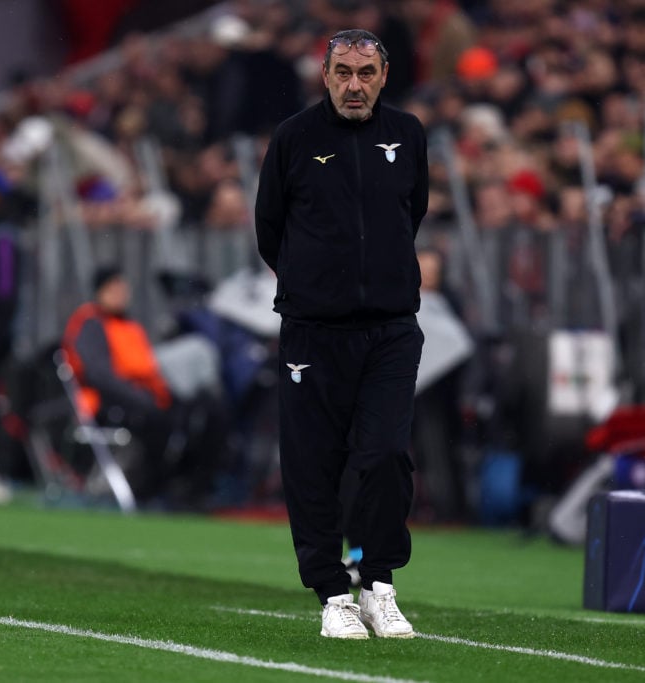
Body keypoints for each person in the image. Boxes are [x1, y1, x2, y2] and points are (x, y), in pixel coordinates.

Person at [254, 28, 428, 639]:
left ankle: (378, 581)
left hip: (390, 330)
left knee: (385, 456)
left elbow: (414, 211)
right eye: (343, 73)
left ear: (384, 76)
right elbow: (268, 231)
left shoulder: (408, 135)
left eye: (366, 73)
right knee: (312, 466)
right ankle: (333, 592)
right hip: (312, 333)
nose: (355, 86)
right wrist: (317, 286)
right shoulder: (294, 138)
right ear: (324, 76)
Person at [62, 266, 227, 509]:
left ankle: (194, 486)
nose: (120, 294)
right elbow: (100, 375)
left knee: (210, 412)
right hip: (109, 403)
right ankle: (153, 487)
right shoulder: (93, 325)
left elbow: (148, 368)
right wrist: (141, 397)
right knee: (156, 420)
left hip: (144, 395)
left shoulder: (129, 326)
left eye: (122, 288)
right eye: (114, 288)